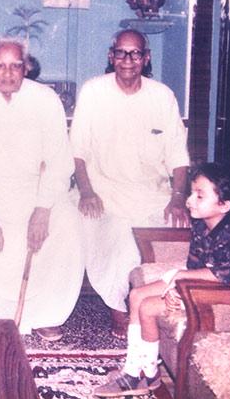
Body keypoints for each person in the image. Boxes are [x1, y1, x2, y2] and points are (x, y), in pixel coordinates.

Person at [0, 38, 84, 340]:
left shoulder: (45, 99)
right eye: (0, 66)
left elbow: (60, 161)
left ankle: (48, 312)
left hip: (35, 194)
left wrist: (43, 209)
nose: (8, 73)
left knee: (69, 222)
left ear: (26, 68)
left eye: (15, 66)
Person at [94, 162, 230, 397]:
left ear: (224, 205)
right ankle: (137, 371)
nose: (190, 200)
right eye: (192, 193)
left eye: (199, 196)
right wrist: (177, 288)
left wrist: (181, 282)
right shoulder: (202, 225)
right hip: (199, 285)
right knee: (137, 295)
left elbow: (223, 274)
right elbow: (195, 265)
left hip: (227, 296)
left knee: (149, 307)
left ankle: (144, 373)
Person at [69, 29, 190, 336]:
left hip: (154, 193)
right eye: (121, 53)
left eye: (135, 53)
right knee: (121, 241)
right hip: (103, 191)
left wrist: (177, 197)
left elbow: (178, 155)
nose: (128, 60)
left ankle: (171, 307)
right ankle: (119, 308)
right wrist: (86, 191)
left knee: (179, 233)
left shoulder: (162, 96)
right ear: (111, 57)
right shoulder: (94, 91)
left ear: (145, 58)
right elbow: (78, 151)